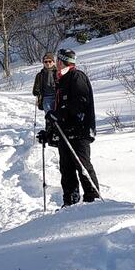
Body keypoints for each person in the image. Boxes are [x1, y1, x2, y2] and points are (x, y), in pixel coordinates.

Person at [44, 47, 100, 206]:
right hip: (65, 133)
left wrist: (60, 114)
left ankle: (93, 201)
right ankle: (70, 203)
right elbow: (59, 110)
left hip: (79, 131)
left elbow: (81, 102)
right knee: (66, 170)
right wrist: (49, 132)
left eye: (57, 61)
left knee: (83, 166)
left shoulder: (76, 76)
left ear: (61, 61)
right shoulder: (61, 80)